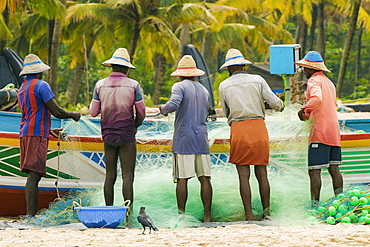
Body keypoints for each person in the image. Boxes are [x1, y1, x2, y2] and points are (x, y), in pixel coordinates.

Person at [218, 48, 284, 221]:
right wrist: (277, 105)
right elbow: (275, 103)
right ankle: (267, 213)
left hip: (238, 128)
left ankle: (248, 215)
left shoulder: (224, 86)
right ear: (244, 65)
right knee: (262, 173)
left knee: (243, 175)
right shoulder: (258, 80)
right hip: (258, 127)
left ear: (229, 68)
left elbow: (226, 112)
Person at [18, 54, 81, 216]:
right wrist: (73, 114)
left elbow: (32, 113)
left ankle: (30, 214)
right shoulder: (41, 85)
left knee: (33, 174)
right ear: (39, 71)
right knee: (34, 176)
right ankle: (31, 216)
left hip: (26, 133)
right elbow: (57, 111)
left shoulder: (23, 87)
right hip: (36, 135)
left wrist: (49, 131)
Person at [89, 48, 146, 208]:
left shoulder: (100, 85)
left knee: (110, 176)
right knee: (127, 176)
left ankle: (109, 211)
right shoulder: (134, 85)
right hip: (127, 134)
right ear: (127, 68)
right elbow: (141, 113)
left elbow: (93, 112)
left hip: (108, 135)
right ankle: (128, 215)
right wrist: (135, 126)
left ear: (112, 66)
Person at [159, 55, 213, 222]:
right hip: (201, 139)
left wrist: (162, 109)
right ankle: (207, 216)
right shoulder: (204, 90)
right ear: (195, 74)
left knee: (182, 179)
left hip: (184, 139)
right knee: (204, 178)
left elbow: (173, 104)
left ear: (181, 74)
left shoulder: (179, 86)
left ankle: (181, 216)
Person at [295, 51, 343, 202]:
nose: (304, 71)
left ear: (310, 68)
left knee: (314, 171)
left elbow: (317, 98)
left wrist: (304, 110)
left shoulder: (314, 81)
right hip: (334, 132)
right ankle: (340, 201)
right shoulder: (328, 82)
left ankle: (315, 204)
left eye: (304, 68)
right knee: (334, 169)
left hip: (320, 133)